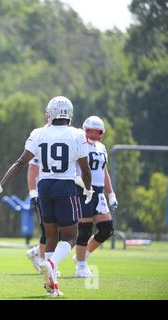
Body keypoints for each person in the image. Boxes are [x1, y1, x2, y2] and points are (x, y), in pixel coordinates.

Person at [0, 96, 93, 296]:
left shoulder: (38, 133)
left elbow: (20, 163)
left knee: (51, 237)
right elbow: (85, 170)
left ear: (50, 113)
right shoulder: (77, 134)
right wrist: (87, 189)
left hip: (44, 187)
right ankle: (51, 263)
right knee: (71, 236)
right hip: (65, 185)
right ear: (69, 114)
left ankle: (52, 287)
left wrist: (0, 186)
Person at [72, 116, 118, 277]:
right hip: (83, 189)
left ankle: (83, 256)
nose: (93, 134)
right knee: (84, 229)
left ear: (102, 133)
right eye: (89, 131)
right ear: (84, 130)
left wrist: (111, 193)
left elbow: (103, 171)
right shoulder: (79, 144)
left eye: (97, 132)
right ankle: (80, 267)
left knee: (107, 229)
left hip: (98, 192)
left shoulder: (101, 147)